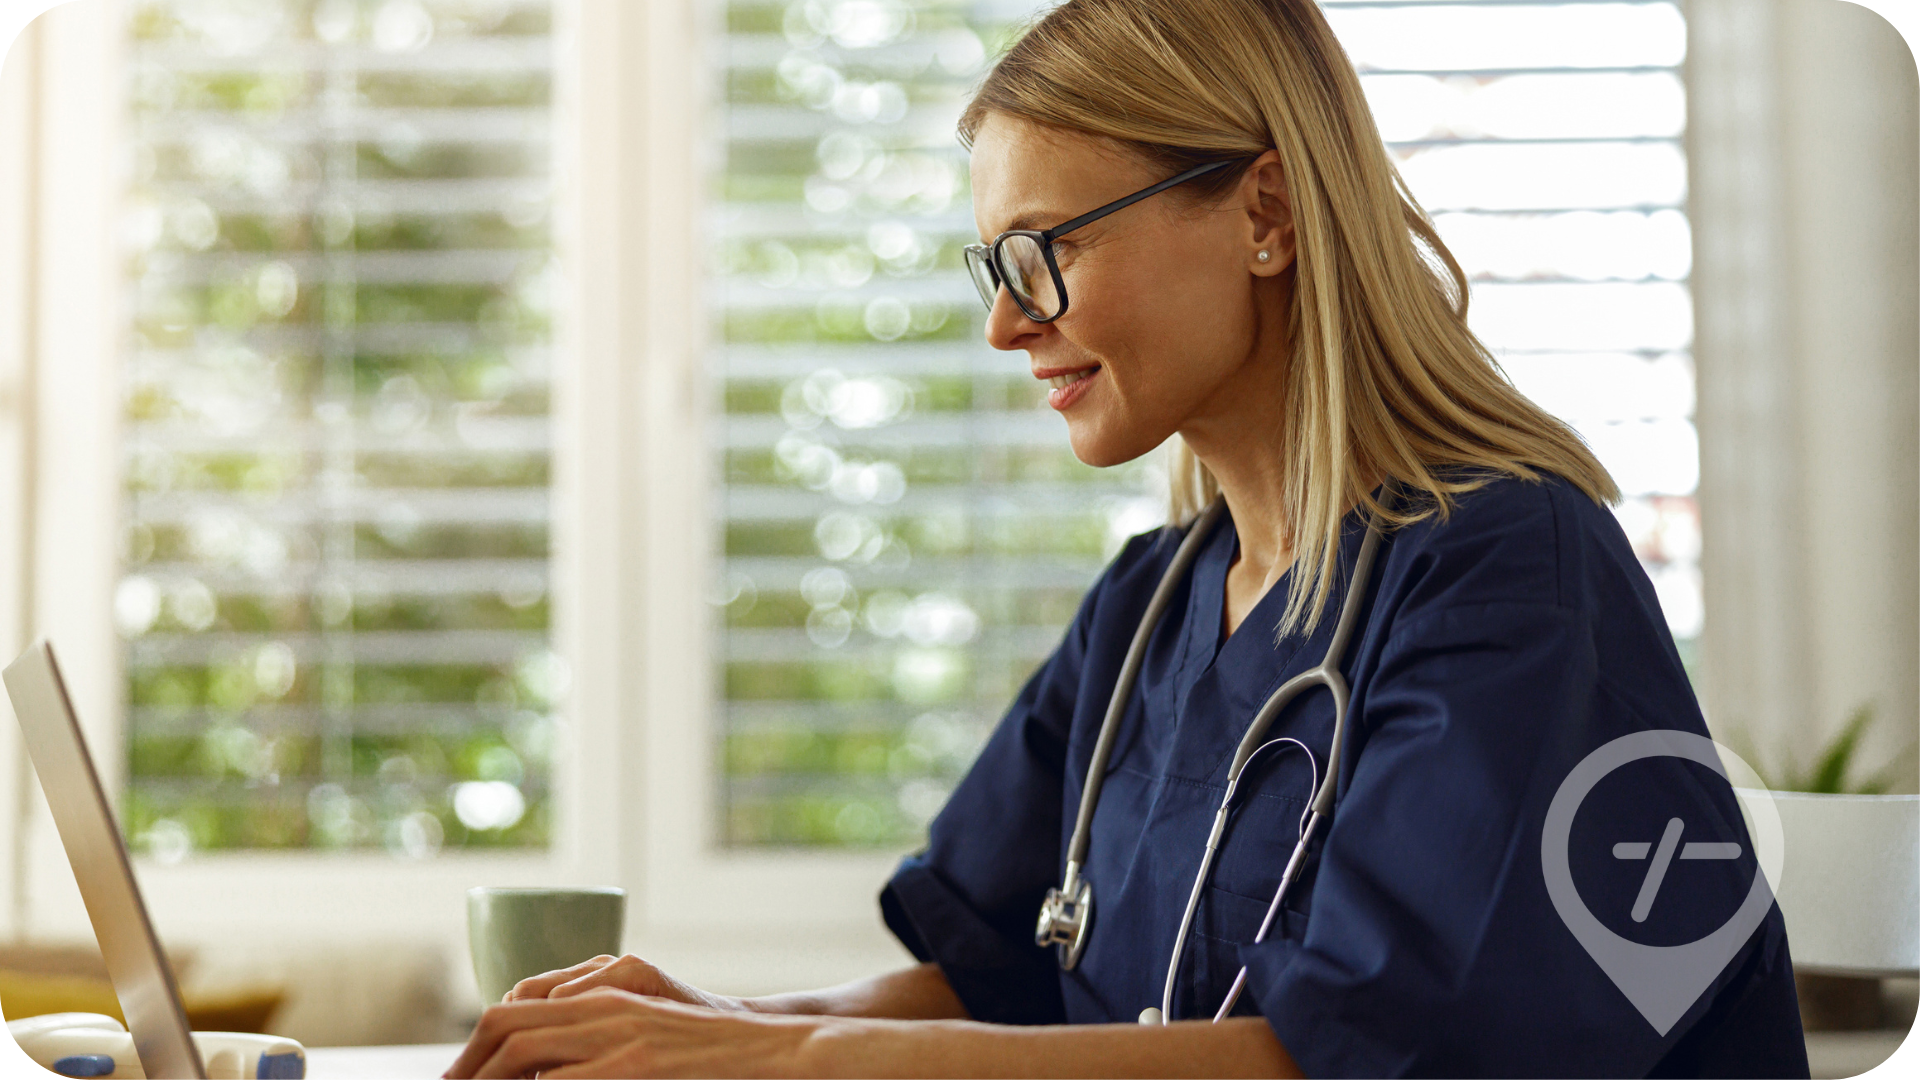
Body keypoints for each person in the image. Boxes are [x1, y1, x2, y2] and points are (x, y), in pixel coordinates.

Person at [442, 1, 1809, 1076]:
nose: (1005, 324)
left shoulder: (1510, 573)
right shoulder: (1153, 606)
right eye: (994, 268)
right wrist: (699, 1027)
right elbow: (1005, 981)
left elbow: (1366, 1061)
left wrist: (777, 1053)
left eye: (1046, 254)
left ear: (1265, 215)